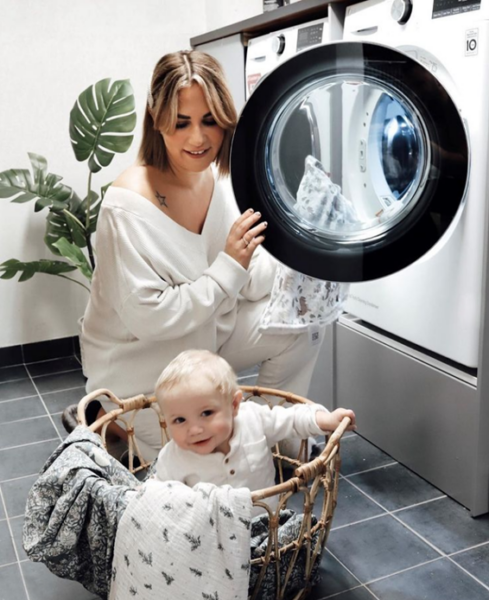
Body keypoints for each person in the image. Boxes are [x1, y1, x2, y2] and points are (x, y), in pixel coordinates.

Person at [73, 50, 328, 461]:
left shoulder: (213, 177)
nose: (199, 138)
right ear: (158, 120)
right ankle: (118, 415)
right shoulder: (125, 207)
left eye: (210, 120)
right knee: (197, 475)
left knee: (302, 322)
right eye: (182, 122)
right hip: (145, 366)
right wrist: (230, 267)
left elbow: (250, 275)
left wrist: (297, 268)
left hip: (205, 338)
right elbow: (151, 318)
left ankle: (280, 444)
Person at [154, 349, 356, 514]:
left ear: (234, 405)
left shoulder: (252, 418)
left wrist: (326, 420)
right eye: (179, 420)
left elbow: (292, 420)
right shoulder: (174, 457)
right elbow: (158, 495)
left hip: (268, 525)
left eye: (206, 413)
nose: (195, 429)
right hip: (210, 541)